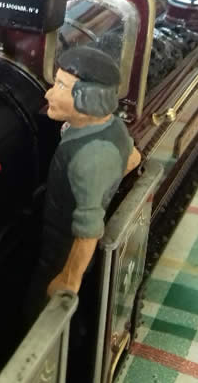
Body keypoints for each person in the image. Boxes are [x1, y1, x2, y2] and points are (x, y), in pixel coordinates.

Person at [33, 45, 141, 303]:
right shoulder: (113, 125)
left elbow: (89, 230)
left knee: (36, 305)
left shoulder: (90, 158)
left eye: (61, 86)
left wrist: (68, 280)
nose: (49, 93)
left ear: (89, 98)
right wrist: (106, 182)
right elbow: (133, 158)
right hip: (58, 231)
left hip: (61, 252)